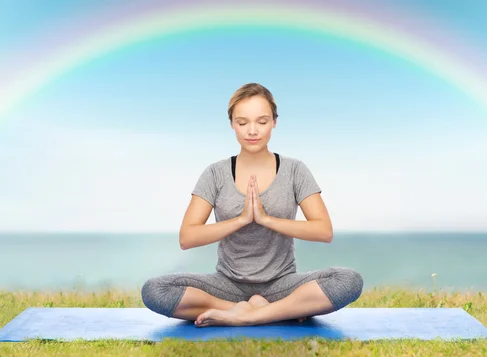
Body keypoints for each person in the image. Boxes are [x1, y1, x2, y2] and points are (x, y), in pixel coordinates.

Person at [141, 83, 363, 327]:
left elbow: (324, 230)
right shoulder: (215, 173)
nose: (252, 131)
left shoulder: (295, 170)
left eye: (262, 121)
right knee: (155, 290)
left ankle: (248, 316)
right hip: (227, 286)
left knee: (348, 280)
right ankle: (260, 311)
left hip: (282, 285)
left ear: (274, 122)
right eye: (242, 122)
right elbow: (187, 237)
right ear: (232, 125)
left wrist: (266, 219)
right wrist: (242, 219)